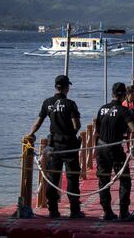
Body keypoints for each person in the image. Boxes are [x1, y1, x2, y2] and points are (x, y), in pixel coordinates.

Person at [27, 75, 84, 219]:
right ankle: (75, 211)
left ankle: (53, 210)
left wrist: (29, 134)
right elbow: (76, 125)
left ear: (55, 87)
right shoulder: (70, 104)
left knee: (52, 178)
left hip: (54, 146)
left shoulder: (47, 103)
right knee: (72, 178)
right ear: (66, 87)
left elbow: (38, 122)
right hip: (69, 146)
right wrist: (72, 133)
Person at [95, 82, 134, 221]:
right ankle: (123, 211)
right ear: (123, 95)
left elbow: (97, 130)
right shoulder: (124, 110)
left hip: (100, 147)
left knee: (103, 180)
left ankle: (107, 212)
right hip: (114, 148)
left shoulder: (102, 109)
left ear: (112, 93)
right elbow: (133, 128)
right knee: (125, 179)